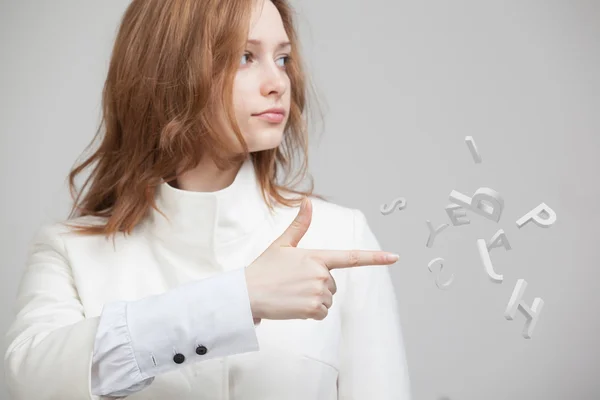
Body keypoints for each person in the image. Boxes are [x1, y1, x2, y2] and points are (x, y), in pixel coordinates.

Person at [4, 0, 412, 398]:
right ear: (168, 71)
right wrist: (237, 301)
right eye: (245, 56)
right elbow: (29, 382)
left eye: (283, 59)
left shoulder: (339, 236)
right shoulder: (70, 251)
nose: (279, 82)